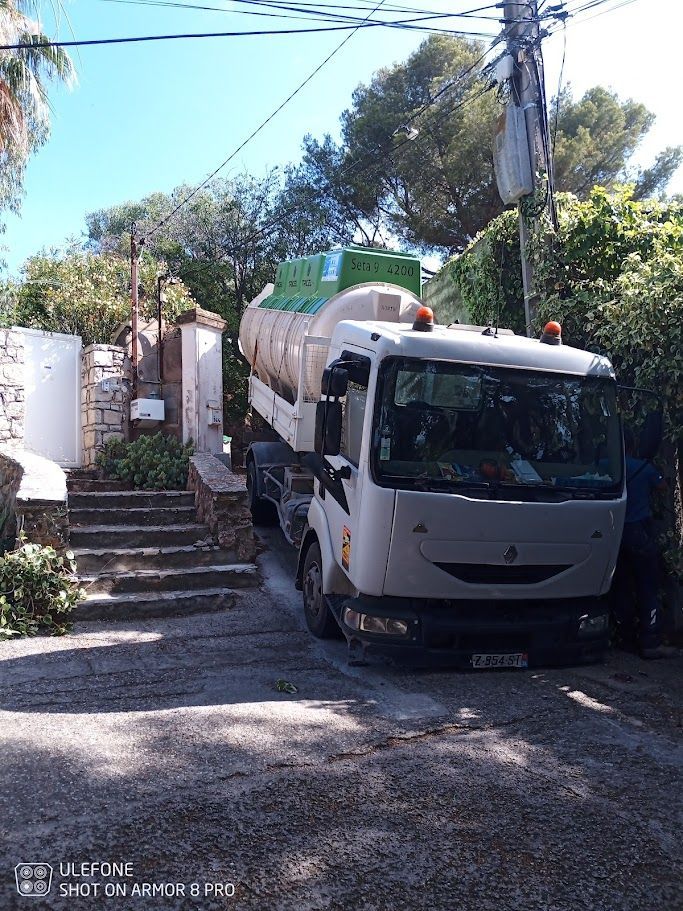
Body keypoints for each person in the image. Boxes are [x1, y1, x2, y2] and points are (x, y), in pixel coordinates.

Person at [614, 428, 667, 658]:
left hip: (615, 534)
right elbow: (663, 487)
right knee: (648, 586)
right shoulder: (644, 468)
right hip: (639, 532)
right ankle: (650, 640)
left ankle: (624, 637)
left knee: (622, 586)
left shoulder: (608, 464)